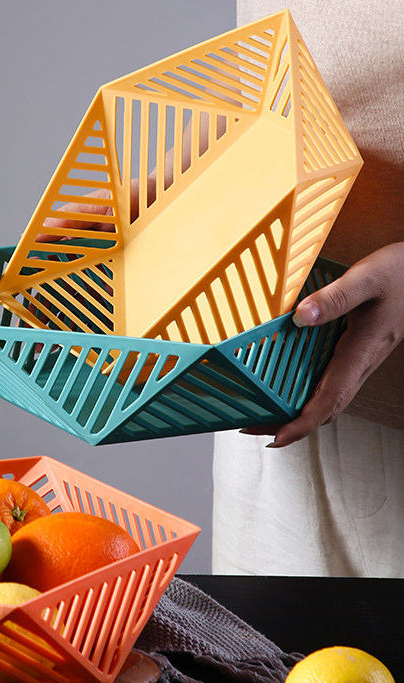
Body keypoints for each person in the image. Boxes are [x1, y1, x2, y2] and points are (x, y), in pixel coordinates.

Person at [37, 1, 404, 577]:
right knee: (268, 635)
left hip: (389, 414)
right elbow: (265, 82)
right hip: (259, 387)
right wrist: (163, 193)